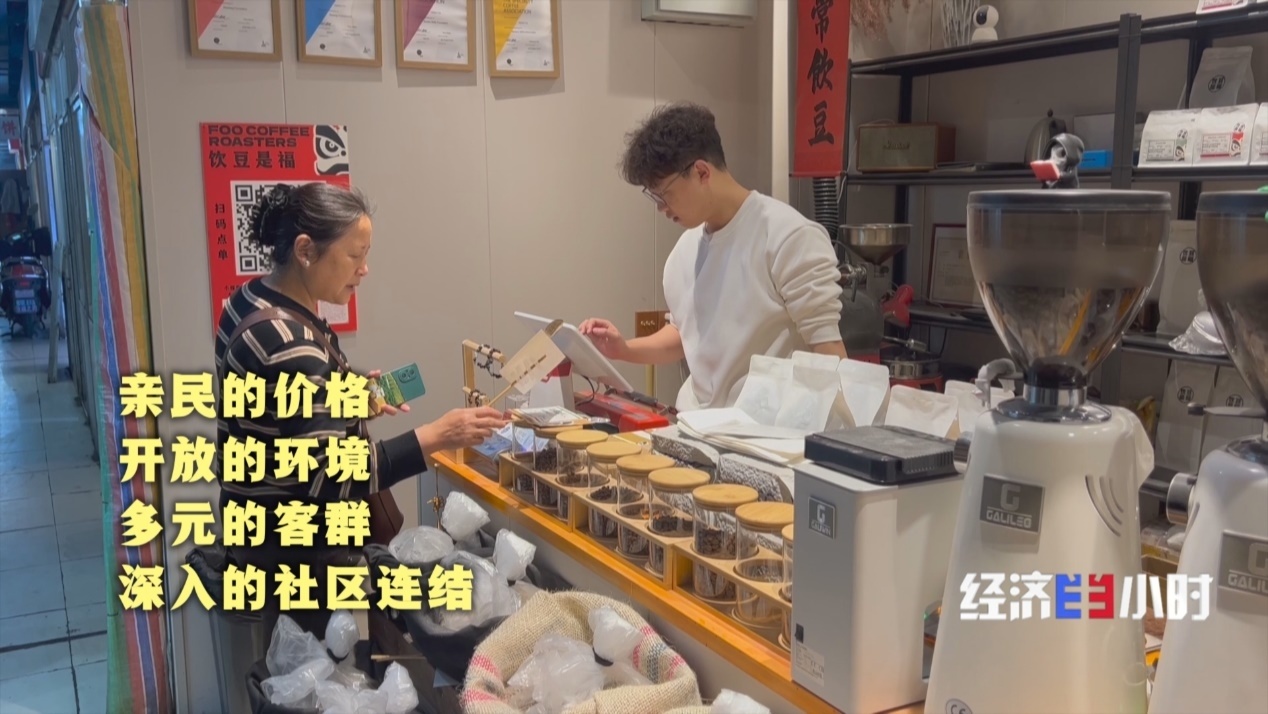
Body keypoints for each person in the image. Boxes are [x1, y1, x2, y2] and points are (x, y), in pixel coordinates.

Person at [214, 181, 506, 638]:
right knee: (317, 666)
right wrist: (436, 436)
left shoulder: (248, 300)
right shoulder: (288, 342)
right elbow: (331, 476)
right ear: (306, 251)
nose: (364, 270)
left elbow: (272, 413)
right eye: (354, 256)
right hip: (298, 555)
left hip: (257, 535)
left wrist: (346, 396)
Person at [580, 102, 847, 411]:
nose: (661, 208)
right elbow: (683, 334)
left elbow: (829, 352)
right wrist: (623, 349)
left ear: (701, 172)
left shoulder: (788, 236)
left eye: (664, 194)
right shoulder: (683, 252)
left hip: (764, 430)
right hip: (693, 425)